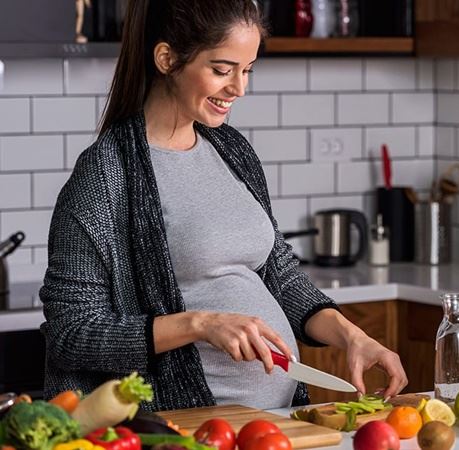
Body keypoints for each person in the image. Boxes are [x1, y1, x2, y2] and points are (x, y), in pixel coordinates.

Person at [40, 0, 407, 411]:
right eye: (222, 69)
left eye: (247, 69)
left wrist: (351, 335)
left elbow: (279, 276)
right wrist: (201, 324)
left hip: (277, 419)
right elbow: (72, 334)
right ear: (166, 59)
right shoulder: (106, 174)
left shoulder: (232, 149)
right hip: (185, 425)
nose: (239, 88)